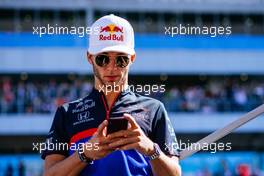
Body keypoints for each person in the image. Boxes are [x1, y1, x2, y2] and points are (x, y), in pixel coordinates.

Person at [42, 14, 181, 176]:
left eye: (121, 60)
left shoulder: (154, 109)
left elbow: (175, 174)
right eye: (103, 59)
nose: (111, 67)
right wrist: (85, 153)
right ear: (90, 58)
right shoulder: (67, 113)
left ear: (132, 59)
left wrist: (150, 149)